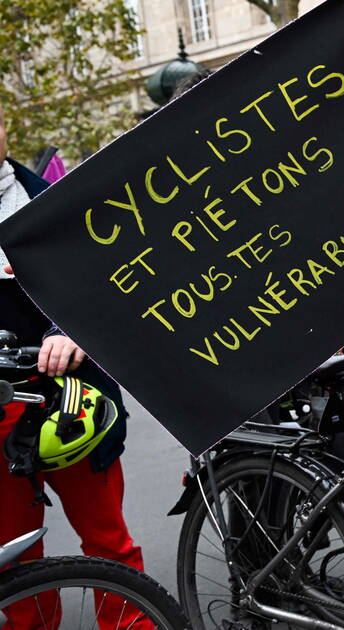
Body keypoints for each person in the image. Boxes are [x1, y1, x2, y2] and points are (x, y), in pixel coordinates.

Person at [0, 105, 149, 630]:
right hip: (0, 410)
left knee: (108, 545)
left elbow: (107, 285)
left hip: (73, 403)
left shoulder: (52, 201)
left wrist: (69, 331)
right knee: (14, 562)